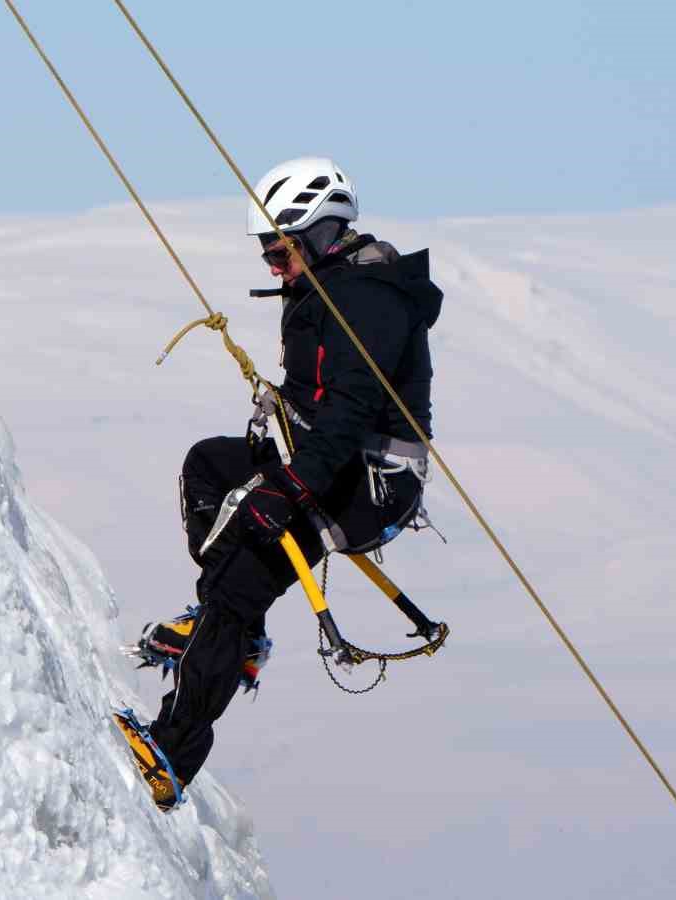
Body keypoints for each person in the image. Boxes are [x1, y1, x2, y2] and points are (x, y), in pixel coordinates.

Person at [126, 156, 444, 810]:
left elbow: (352, 412)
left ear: (318, 234)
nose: (272, 267)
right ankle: (234, 637)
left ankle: (171, 751)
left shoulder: (367, 299)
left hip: (368, 482)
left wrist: (289, 487)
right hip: (332, 462)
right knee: (211, 466)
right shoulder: (327, 290)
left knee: (240, 578)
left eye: (279, 252)